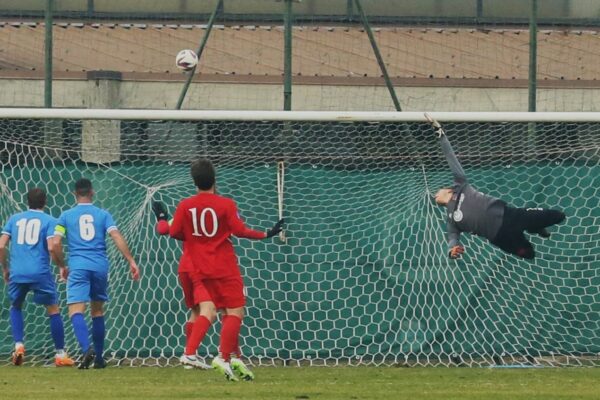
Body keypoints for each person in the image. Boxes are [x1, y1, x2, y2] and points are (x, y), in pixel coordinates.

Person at [166, 158, 283, 381]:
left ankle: (229, 357)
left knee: (212, 311)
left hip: (200, 269)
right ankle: (222, 356)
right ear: (214, 179)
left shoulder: (185, 205)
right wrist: (266, 234)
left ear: (194, 181)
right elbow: (240, 231)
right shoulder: (226, 204)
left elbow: (173, 233)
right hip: (224, 266)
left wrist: (191, 237)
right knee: (235, 311)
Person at [427, 114, 565, 260]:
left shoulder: (460, 184)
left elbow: (450, 156)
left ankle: (534, 226)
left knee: (559, 216)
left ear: (448, 190)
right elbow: (452, 239)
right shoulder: (452, 220)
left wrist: (440, 134)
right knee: (529, 254)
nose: (435, 194)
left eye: (437, 191)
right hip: (499, 237)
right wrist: (452, 250)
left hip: (510, 216)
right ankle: (533, 227)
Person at [52, 178, 140, 369]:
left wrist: (61, 265)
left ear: (74, 194)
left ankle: (86, 349)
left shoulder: (66, 216)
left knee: (76, 311)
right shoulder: (103, 214)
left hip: (78, 267)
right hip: (100, 267)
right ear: (92, 192)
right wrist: (131, 260)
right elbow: (115, 235)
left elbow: (55, 243)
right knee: (98, 310)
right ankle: (99, 358)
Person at [0, 188, 74, 367]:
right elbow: (51, 247)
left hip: (17, 271)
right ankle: (60, 354)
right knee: (53, 309)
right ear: (45, 201)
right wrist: (62, 266)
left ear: (27, 201)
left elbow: (1, 246)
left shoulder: (14, 219)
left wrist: (5, 268)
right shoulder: (50, 220)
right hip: (39, 272)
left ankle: (18, 345)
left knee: (16, 306)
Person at [151, 201, 210, 370]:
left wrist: (162, 218)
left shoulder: (185, 215)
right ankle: (226, 355)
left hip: (185, 267)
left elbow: (162, 230)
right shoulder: (215, 215)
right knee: (215, 308)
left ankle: (190, 355)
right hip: (204, 267)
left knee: (196, 310)